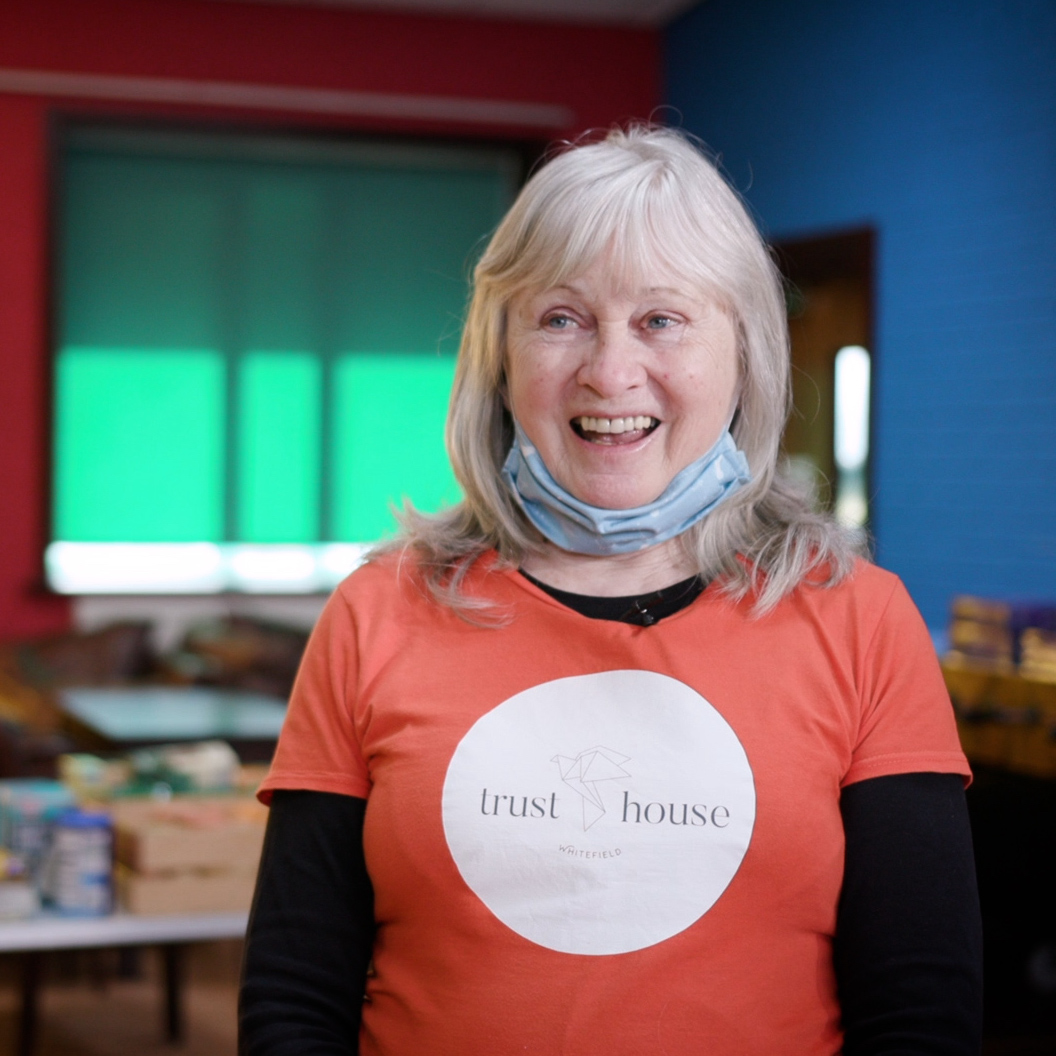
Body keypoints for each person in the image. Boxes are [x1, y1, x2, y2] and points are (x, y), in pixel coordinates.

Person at [239, 126, 982, 1056]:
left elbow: (919, 1016)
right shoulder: (378, 612)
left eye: (662, 319)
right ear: (499, 356)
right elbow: (294, 998)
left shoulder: (860, 621)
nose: (610, 371)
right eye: (561, 318)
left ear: (743, 352)